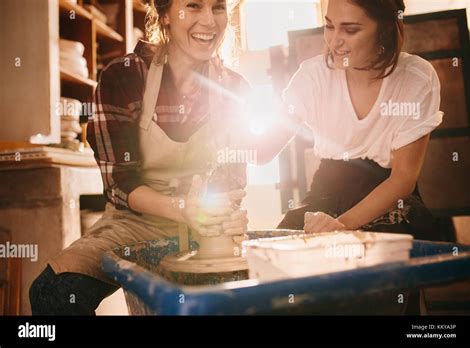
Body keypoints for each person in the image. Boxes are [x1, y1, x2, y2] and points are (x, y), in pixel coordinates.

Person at [30, 0, 249, 315]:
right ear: (165, 16)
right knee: (51, 293)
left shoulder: (234, 89)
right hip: (136, 223)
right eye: (193, 6)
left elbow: (231, 176)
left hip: (206, 226)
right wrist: (181, 208)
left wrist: (225, 209)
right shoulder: (123, 77)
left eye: (217, 7)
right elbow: (121, 183)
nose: (209, 21)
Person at [243, 0, 443, 241]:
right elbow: (262, 152)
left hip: (388, 197)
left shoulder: (416, 77)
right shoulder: (313, 76)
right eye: (329, 26)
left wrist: (340, 225)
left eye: (350, 30)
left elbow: (403, 179)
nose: (334, 41)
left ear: (385, 29)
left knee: (381, 254)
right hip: (327, 192)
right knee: (282, 250)